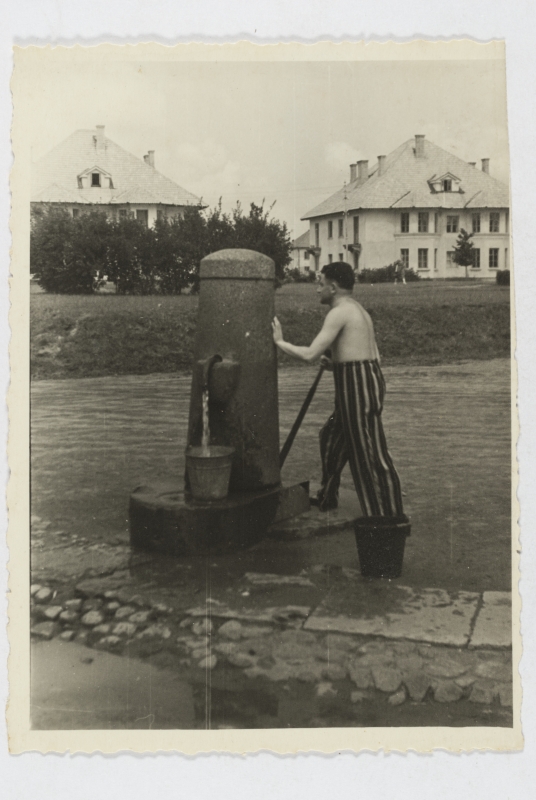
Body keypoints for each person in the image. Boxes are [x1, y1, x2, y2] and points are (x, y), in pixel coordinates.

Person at [272, 261, 405, 521]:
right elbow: (371, 355)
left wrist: (280, 342)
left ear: (333, 288)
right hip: (359, 379)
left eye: (320, 284)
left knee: (368, 452)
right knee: (331, 436)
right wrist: (337, 365)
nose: (316, 290)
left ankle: (388, 518)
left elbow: (310, 354)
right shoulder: (357, 310)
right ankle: (328, 495)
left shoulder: (339, 313)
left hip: (358, 386)